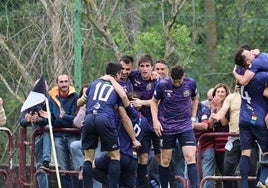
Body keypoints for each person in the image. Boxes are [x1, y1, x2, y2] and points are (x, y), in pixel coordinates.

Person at [79, 62, 136, 188]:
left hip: (89, 118)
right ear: (117, 74)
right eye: (120, 74)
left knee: (88, 158)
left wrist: (83, 103)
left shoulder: (93, 83)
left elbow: (80, 101)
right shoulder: (117, 87)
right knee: (115, 156)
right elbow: (124, 97)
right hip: (104, 118)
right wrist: (132, 112)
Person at [151, 65, 199, 188]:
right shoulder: (162, 84)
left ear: (184, 76)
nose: (177, 84)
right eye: (174, 81)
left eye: (179, 81)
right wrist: (155, 120)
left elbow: (195, 98)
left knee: (190, 156)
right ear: (170, 77)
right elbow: (154, 101)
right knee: (165, 160)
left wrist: (193, 118)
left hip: (185, 126)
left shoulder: (191, 83)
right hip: (167, 126)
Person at [92, 91, 149, 187]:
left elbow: (122, 118)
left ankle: (113, 185)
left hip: (120, 154)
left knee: (92, 167)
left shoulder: (124, 116)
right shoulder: (144, 120)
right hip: (133, 158)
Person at [210, 81, 258, 188]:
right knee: (227, 172)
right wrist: (217, 115)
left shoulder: (253, 96)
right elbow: (223, 111)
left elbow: (256, 114)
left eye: (240, 82)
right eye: (237, 82)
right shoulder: (230, 97)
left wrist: (252, 123)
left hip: (249, 139)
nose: (238, 84)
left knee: (250, 173)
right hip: (233, 139)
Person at [233, 46, 268, 187]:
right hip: (258, 119)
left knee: (245, 153)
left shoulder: (240, 72)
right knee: (266, 152)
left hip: (244, 119)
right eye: (250, 54)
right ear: (248, 63)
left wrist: (235, 73)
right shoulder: (260, 77)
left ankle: (246, 185)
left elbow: (239, 75)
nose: (253, 53)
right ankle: (262, 180)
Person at [128, 54, 161, 187]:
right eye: (142, 66)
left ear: (152, 67)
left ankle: (166, 184)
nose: (145, 69)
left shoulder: (158, 81)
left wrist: (142, 102)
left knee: (162, 158)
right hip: (142, 125)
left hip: (158, 124)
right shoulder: (133, 76)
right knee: (143, 158)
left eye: (147, 66)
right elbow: (123, 70)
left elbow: (158, 101)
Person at [49, 74, 80, 188]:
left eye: (66, 81)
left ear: (69, 83)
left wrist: (64, 116)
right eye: (61, 82)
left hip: (73, 135)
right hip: (58, 136)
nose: (64, 84)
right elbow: (53, 117)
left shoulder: (75, 97)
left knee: (75, 166)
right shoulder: (52, 97)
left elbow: (75, 120)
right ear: (57, 84)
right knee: (63, 168)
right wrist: (59, 118)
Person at [20, 80, 51, 188]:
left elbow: (55, 120)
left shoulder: (52, 100)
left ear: (47, 87)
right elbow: (22, 120)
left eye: (44, 86)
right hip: (36, 135)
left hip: (52, 136)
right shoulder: (31, 101)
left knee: (47, 128)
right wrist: (28, 120)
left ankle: (47, 159)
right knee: (39, 166)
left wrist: (41, 120)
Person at [208, 83, 230, 179]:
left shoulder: (228, 106)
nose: (220, 94)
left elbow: (224, 123)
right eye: (218, 91)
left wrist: (219, 108)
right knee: (222, 174)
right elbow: (210, 125)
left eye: (222, 92)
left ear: (226, 94)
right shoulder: (212, 106)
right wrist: (213, 110)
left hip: (228, 146)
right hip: (217, 146)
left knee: (228, 174)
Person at [194, 90, 215, 188]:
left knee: (208, 176)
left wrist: (190, 125)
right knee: (188, 175)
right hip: (190, 147)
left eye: (194, 99)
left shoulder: (204, 108)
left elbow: (205, 126)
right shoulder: (183, 110)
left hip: (207, 146)